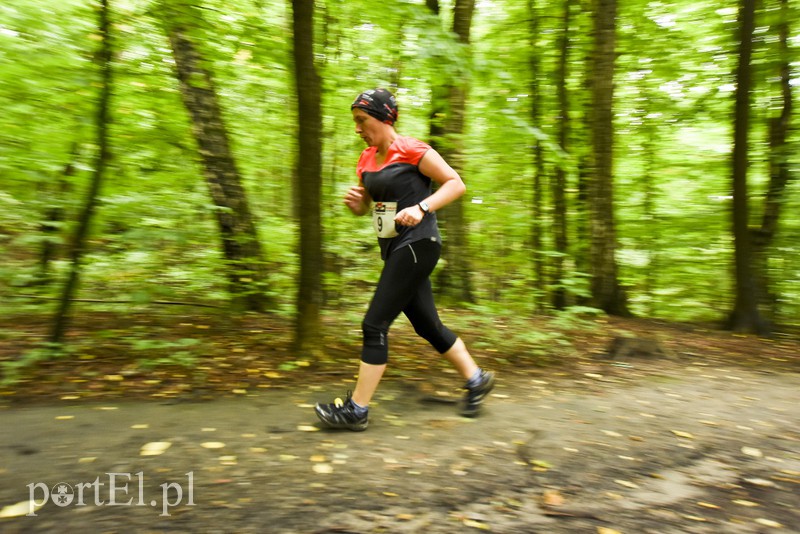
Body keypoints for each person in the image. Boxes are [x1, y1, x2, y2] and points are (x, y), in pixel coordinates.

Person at [314, 88, 494, 431]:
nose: (358, 129)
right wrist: (358, 205)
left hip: (419, 243)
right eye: (355, 121)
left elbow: (456, 184)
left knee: (374, 324)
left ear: (384, 118)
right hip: (394, 249)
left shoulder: (412, 150)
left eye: (362, 120)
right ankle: (476, 379)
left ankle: (357, 410)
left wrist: (422, 206)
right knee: (428, 325)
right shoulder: (366, 158)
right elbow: (369, 205)